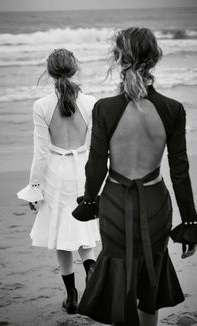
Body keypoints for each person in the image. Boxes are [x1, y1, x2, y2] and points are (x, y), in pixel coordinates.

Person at [72, 27, 197, 326]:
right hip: (156, 204)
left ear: (118, 59)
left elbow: (96, 165)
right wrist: (191, 222)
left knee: (118, 275)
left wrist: (90, 202)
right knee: (150, 272)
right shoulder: (172, 109)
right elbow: (180, 171)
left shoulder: (104, 108)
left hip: (115, 203)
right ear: (153, 60)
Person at [17, 48, 100, 314]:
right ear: (75, 68)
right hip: (83, 171)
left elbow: (40, 153)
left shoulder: (41, 106)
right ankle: (91, 270)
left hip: (55, 173)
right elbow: (97, 146)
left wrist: (34, 188)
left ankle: (71, 296)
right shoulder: (90, 103)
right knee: (84, 230)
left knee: (61, 236)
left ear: (49, 72)